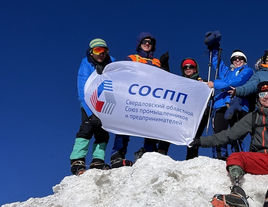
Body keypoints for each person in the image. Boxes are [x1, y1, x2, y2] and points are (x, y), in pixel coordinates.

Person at [189, 81, 268, 207]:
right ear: (258, 97)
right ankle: (238, 194)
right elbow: (229, 135)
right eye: (262, 94)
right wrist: (201, 141)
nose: (266, 97)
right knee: (235, 156)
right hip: (260, 160)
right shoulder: (252, 118)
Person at [110, 32, 171, 168]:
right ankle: (117, 155)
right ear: (139, 44)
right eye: (145, 42)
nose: (147, 44)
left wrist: (165, 67)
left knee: (151, 124)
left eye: (150, 42)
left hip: (151, 98)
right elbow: (122, 74)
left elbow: (165, 81)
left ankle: (149, 152)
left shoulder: (157, 62)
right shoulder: (132, 58)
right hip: (133, 96)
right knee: (125, 124)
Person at [68, 38, 116, 175]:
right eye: (97, 50)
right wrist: (90, 113)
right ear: (91, 52)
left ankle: (98, 160)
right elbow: (82, 90)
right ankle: (77, 158)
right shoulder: (86, 64)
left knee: (103, 131)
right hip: (89, 102)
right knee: (87, 128)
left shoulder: (112, 63)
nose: (101, 54)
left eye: (104, 50)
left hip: (106, 104)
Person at [204, 31, 254, 160]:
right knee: (219, 132)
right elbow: (217, 64)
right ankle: (220, 157)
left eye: (240, 58)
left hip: (239, 105)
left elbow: (237, 82)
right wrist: (214, 48)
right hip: (221, 104)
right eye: (234, 59)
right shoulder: (227, 72)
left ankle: (239, 158)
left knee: (236, 134)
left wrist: (215, 84)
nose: (237, 60)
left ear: (244, 60)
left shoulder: (247, 70)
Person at [180, 58, 209, 160]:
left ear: (195, 69)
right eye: (185, 67)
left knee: (194, 138)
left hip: (198, 114)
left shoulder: (202, 82)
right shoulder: (179, 83)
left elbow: (210, 95)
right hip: (183, 113)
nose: (188, 69)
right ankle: (162, 154)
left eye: (191, 66)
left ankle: (191, 160)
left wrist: (209, 88)